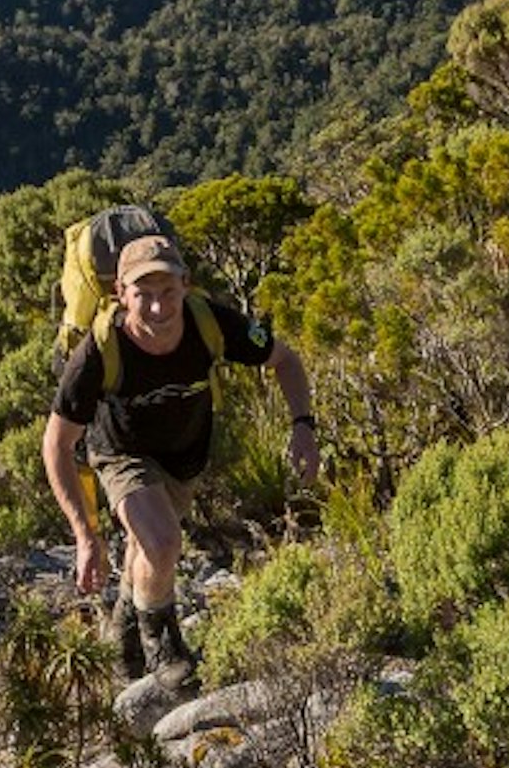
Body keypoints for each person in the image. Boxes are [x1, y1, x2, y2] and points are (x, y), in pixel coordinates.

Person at [41, 232, 319, 692]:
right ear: (120, 294)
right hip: (121, 452)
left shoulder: (211, 324)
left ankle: (124, 638)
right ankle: (163, 645)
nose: (156, 307)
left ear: (186, 284)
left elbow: (285, 360)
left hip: (186, 456)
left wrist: (303, 427)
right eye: (142, 294)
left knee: (145, 549)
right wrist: (85, 534)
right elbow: (56, 444)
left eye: (167, 291)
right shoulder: (98, 350)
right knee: (163, 540)